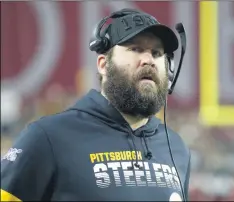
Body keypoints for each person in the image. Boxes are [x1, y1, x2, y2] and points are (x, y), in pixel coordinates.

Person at [1, 8, 191, 201]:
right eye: (136, 49)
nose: (149, 60)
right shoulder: (48, 137)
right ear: (103, 65)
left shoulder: (176, 148)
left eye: (157, 53)